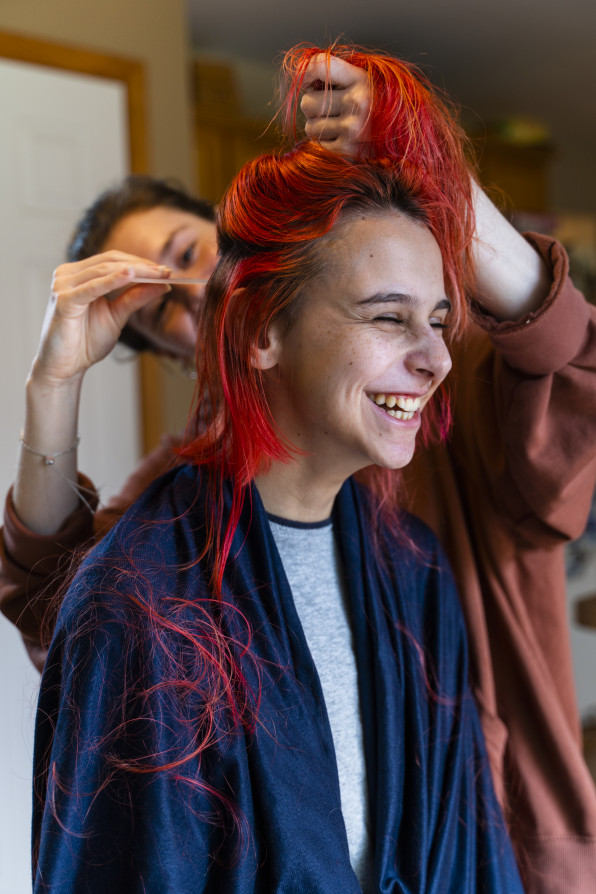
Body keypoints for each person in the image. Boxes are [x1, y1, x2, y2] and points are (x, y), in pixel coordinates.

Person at [2, 44, 596, 890]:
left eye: (187, 252)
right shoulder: (151, 565)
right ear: (256, 333)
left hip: (527, 837)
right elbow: (64, 604)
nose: (195, 293)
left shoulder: (427, 491)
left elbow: (572, 368)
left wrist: (425, 160)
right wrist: (51, 389)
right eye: (156, 305)